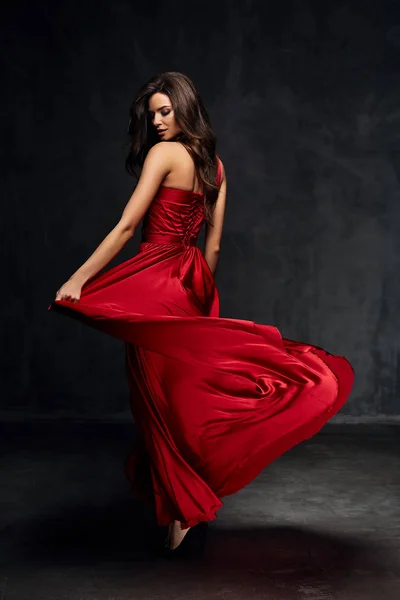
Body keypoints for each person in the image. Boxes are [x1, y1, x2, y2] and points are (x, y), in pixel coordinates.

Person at [48, 71, 354, 559]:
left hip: (155, 276)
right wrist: (198, 302)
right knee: (180, 396)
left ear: (186, 109)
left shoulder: (163, 155)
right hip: (190, 281)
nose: (157, 122)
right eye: (152, 115)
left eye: (165, 112)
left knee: (155, 398)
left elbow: (128, 225)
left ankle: (181, 507)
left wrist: (78, 279)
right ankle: (180, 505)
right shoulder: (216, 165)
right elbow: (212, 245)